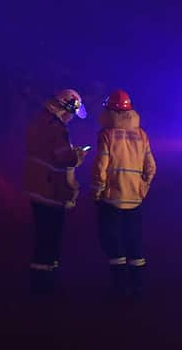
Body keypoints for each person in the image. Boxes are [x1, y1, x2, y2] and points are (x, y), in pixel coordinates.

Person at [24, 88, 89, 296]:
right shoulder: (56, 128)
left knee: (42, 237)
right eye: (71, 114)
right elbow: (63, 157)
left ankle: (38, 283)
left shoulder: (38, 121)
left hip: (35, 186)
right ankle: (45, 286)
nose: (71, 119)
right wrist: (77, 156)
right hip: (50, 190)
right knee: (50, 239)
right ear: (66, 108)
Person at [92, 89, 156, 298]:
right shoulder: (142, 135)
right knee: (135, 240)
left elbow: (101, 167)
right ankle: (138, 286)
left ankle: (120, 287)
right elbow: (151, 168)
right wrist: (142, 188)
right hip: (135, 198)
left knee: (113, 241)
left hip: (112, 198)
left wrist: (98, 191)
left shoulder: (107, 135)